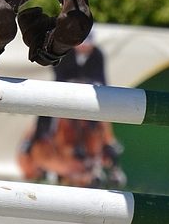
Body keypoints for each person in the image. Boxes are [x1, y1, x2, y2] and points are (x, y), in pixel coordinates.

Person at [18, 31, 126, 187]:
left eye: (87, 45)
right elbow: (59, 74)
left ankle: (110, 148)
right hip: (65, 92)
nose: (84, 48)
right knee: (48, 111)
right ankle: (38, 136)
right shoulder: (65, 52)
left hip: (89, 95)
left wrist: (90, 83)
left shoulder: (98, 54)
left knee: (103, 118)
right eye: (82, 45)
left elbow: (102, 78)